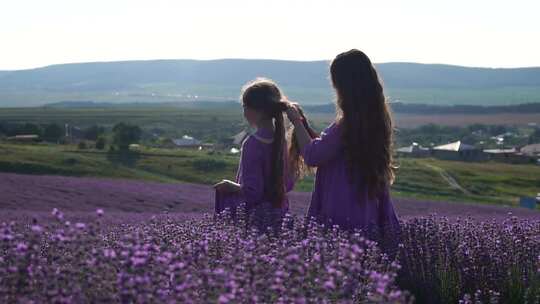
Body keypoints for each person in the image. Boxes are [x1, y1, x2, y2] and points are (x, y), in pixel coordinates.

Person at [286, 49, 400, 247]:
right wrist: (305, 127)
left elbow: (314, 155)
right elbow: (328, 146)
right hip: (365, 198)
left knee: (338, 258)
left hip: (341, 199)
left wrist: (296, 122)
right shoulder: (375, 117)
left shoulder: (347, 123)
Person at [214, 78, 294, 231]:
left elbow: (252, 193)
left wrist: (230, 186)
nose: (244, 111)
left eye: (245, 106)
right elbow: (288, 183)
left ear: (255, 110)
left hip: (254, 222)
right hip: (280, 216)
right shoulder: (281, 141)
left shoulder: (252, 144)